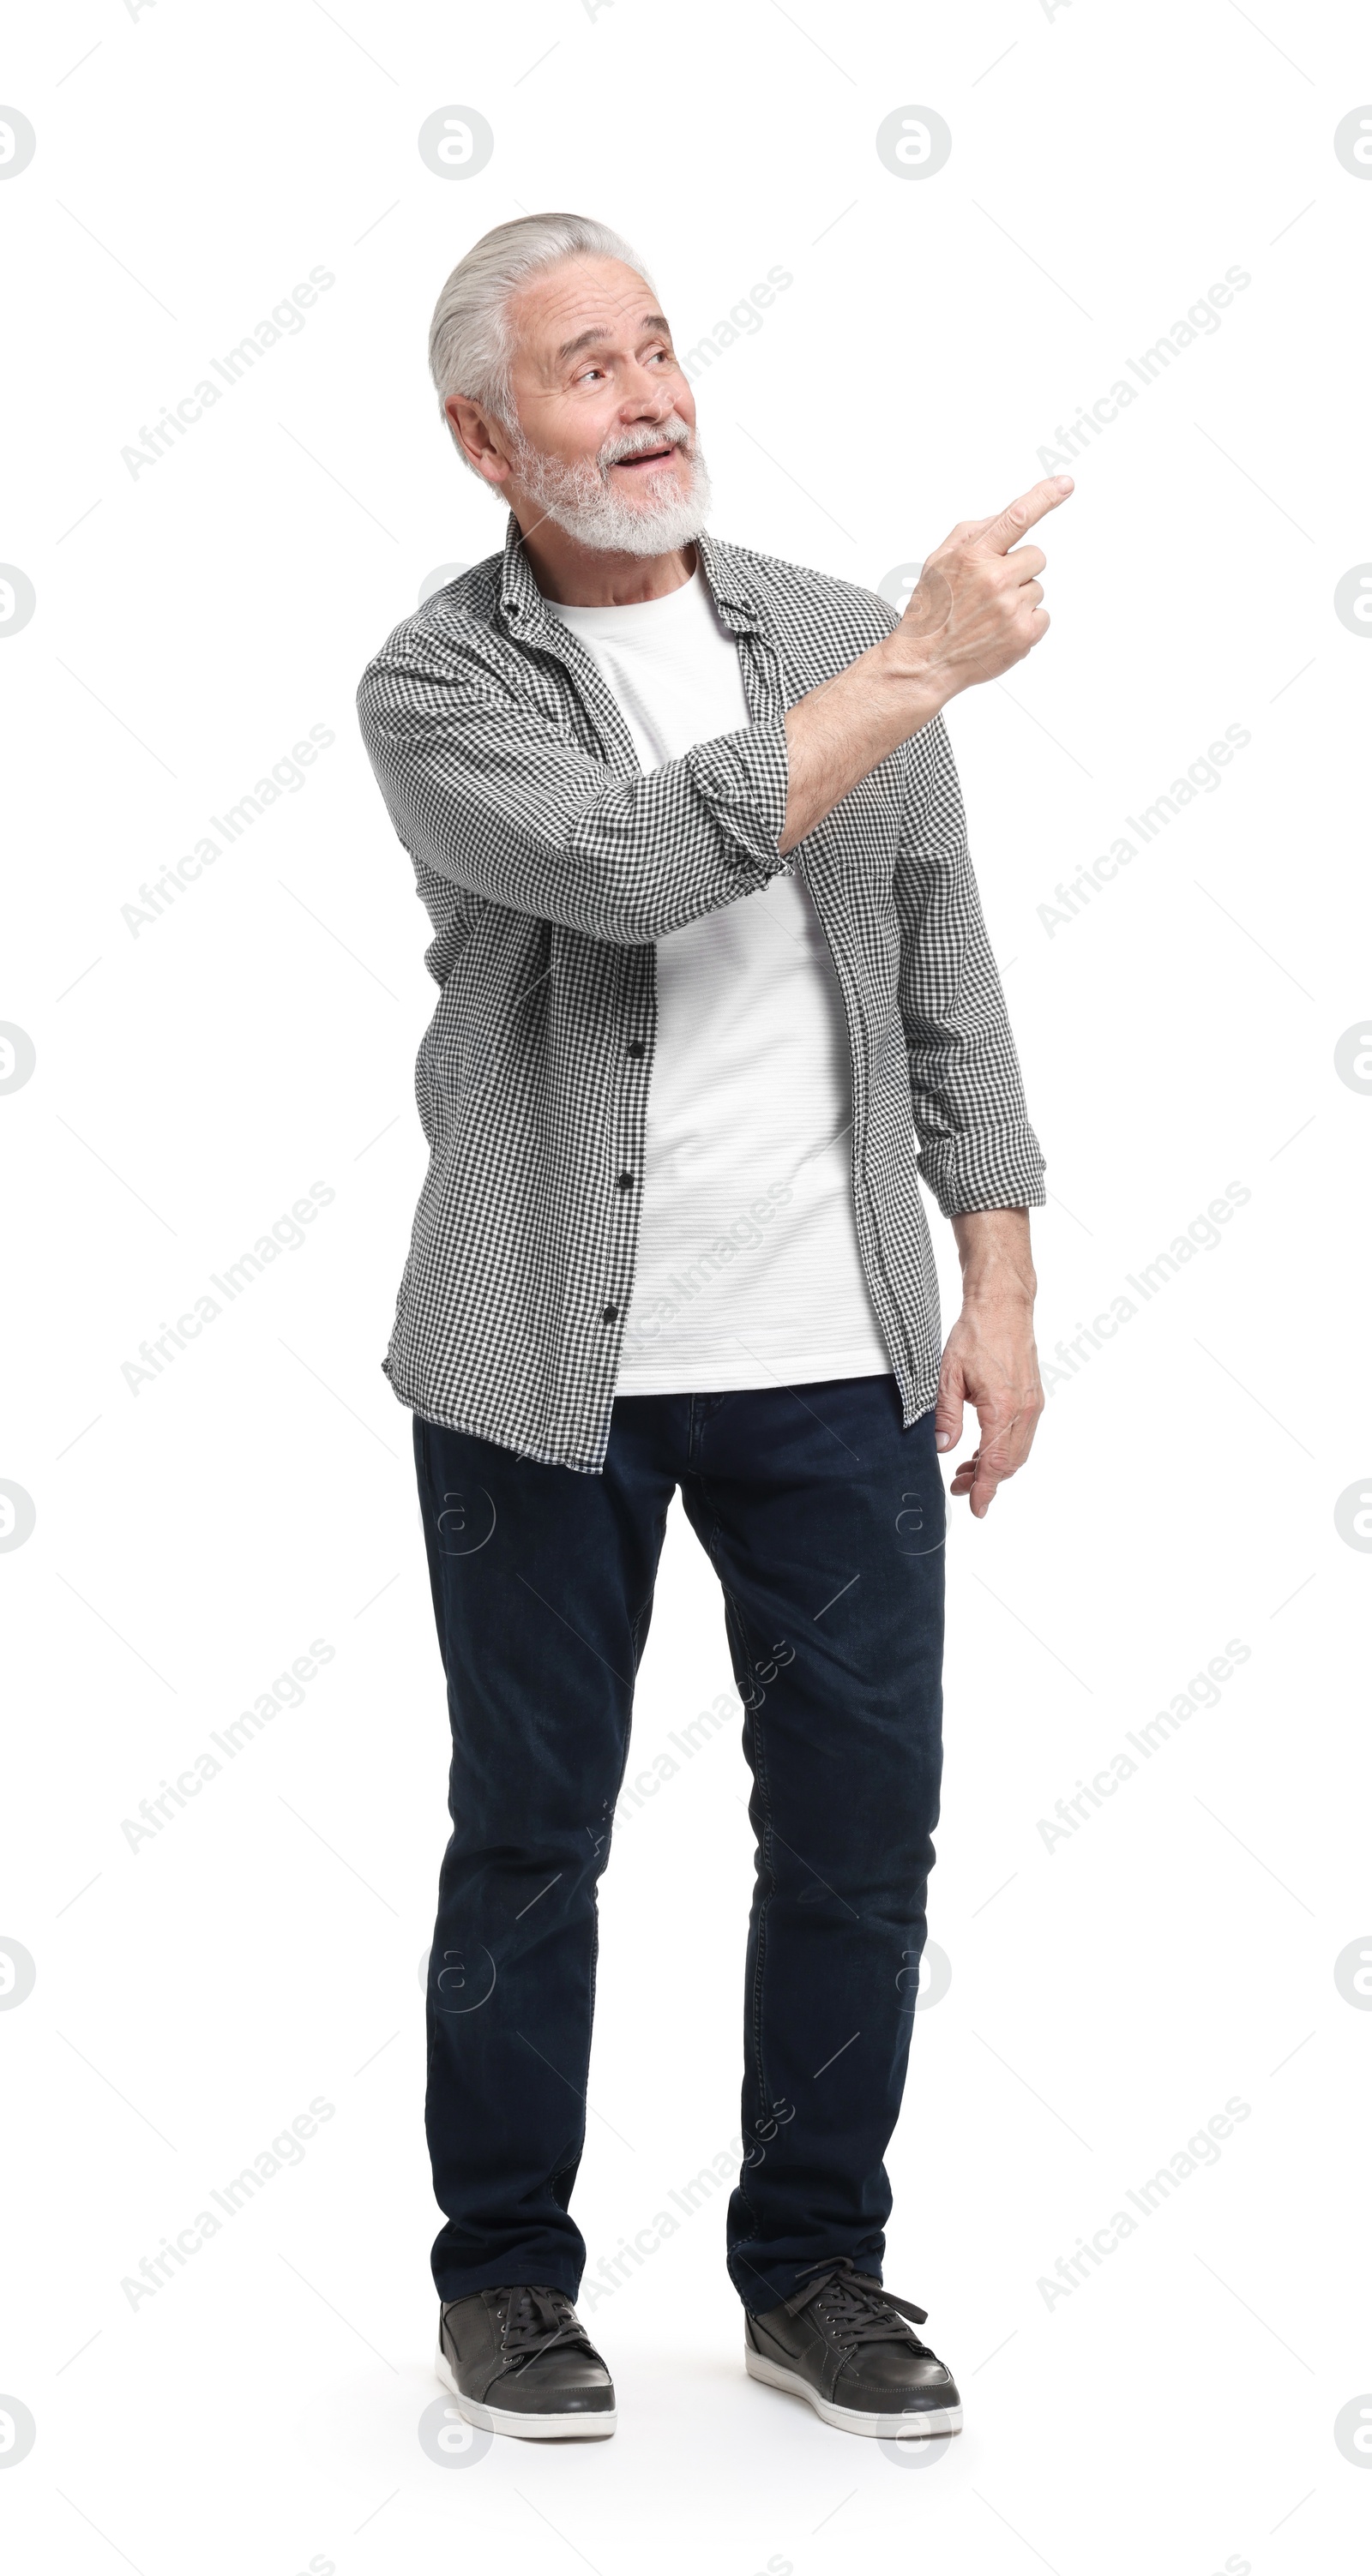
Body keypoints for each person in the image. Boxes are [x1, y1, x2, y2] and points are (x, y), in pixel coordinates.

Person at [356, 211, 1069, 2445]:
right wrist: (922, 673)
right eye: (588, 366)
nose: (649, 389)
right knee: (534, 1832)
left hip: (834, 1369)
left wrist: (1004, 1282)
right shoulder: (437, 689)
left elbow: (948, 978)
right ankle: (503, 2282)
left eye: (660, 344)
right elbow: (645, 863)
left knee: (864, 1828)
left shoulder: (844, 635)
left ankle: (816, 2269)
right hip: (533, 1383)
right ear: (487, 433)